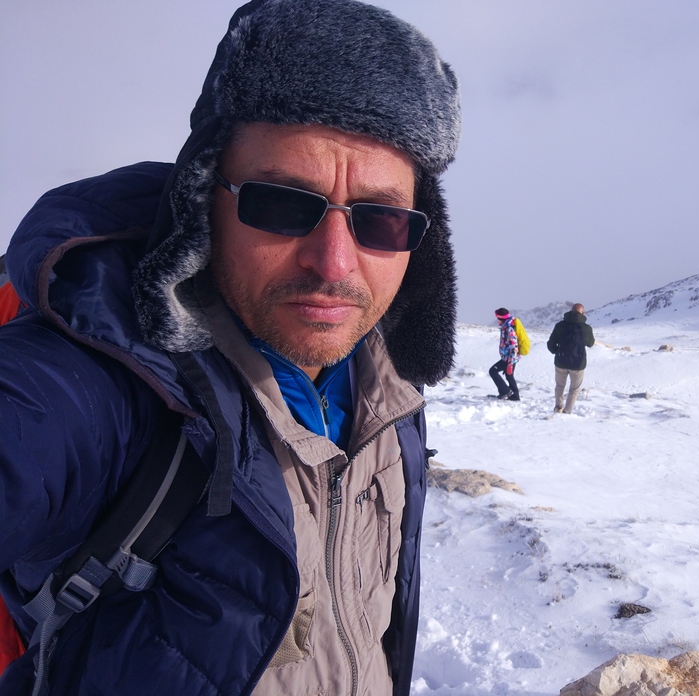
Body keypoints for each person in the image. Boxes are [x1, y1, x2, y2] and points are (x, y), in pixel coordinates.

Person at [0, 1, 460, 694]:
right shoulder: (99, 390)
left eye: (382, 220)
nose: (334, 263)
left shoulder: (390, 395)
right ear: (202, 199)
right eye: (281, 203)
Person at [546, 303, 596, 414]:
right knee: (574, 389)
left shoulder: (560, 325)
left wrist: (557, 352)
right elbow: (591, 343)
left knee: (560, 385)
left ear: (570, 311)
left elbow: (551, 344)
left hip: (561, 361)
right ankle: (567, 411)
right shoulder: (586, 328)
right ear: (583, 313)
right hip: (578, 364)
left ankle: (558, 407)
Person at [489, 307, 522, 401]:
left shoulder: (508, 329)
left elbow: (513, 346)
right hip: (508, 358)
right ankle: (514, 396)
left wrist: (510, 364)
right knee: (509, 376)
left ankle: (506, 392)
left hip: (509, 358)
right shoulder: (505, 326)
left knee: (493, 371)